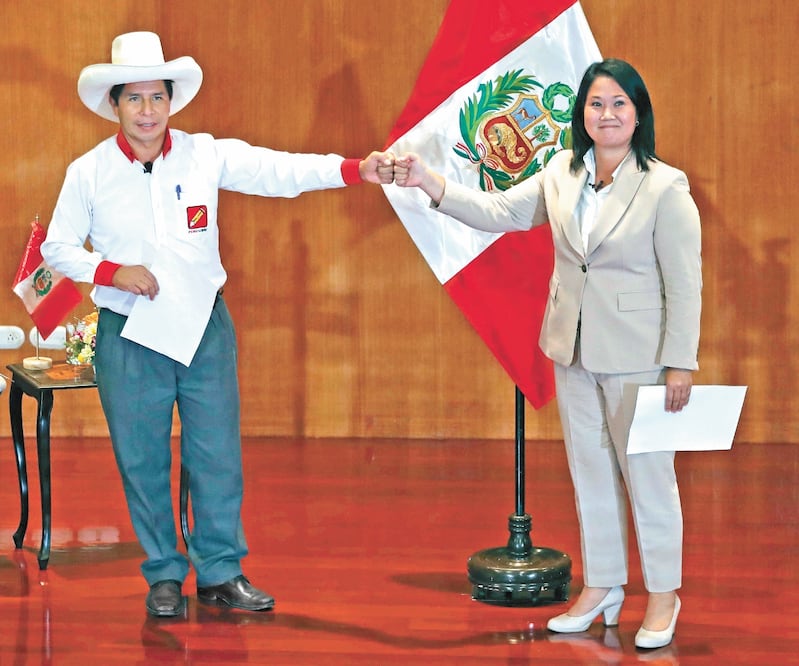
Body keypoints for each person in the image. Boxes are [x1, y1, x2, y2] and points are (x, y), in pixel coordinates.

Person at [41, 31, 394, 618]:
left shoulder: (206, 154)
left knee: (216, 455)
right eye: (135, 99)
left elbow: (282, 171)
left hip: (204, 328)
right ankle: (162, 574)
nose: (148, 111)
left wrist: (359, 169)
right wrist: (110, 269)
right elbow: (56, 247)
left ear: (172, 102)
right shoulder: (89, 172)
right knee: (142, 458)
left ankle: (221, 572)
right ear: (115, 105)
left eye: (158, 98)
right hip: (127, 335)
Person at [393, 58, 701, 650]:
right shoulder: (562, 172)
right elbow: (500, 212)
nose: (606, 114)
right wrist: (429, 182)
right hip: (572, 349)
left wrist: (680, 361)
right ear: (580, 114)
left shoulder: (666, 186)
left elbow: (685, 282)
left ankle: (663, 595)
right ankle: (605, 585)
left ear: (639, 115)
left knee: (648, 477)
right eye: (595, 104)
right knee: (589, 473)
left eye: (618, 104)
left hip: (639, 356)